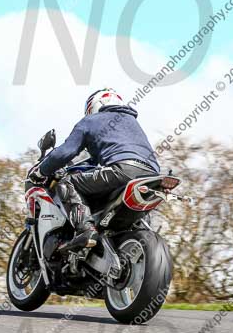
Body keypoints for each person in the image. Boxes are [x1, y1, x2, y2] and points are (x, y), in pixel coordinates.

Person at [28, 88, 160, 251]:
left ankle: (85, 230)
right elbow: (95, 161)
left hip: (123, 170)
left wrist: (41, 170)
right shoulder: (132, 122)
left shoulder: (91, 121)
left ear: (94, 106)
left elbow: (65, 152)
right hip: (152, 174)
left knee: (67, 183)